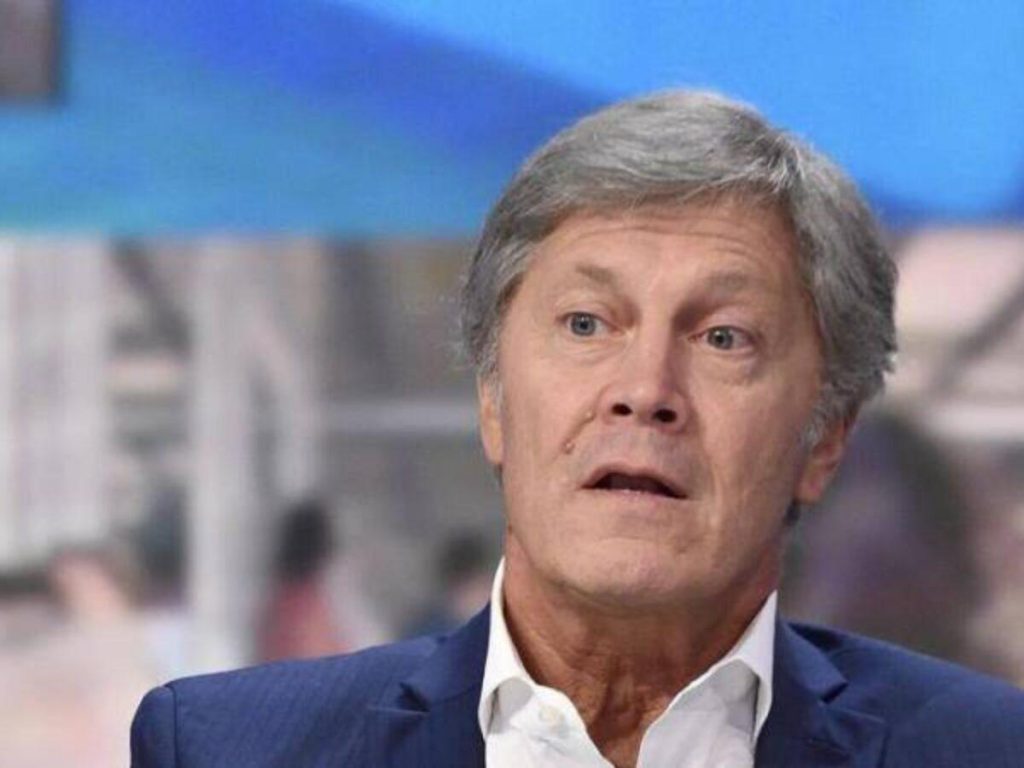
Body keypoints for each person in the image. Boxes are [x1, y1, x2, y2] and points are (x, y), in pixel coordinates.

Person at [131, 90, 1024, 767]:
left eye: (724, 337)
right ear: (493, 401)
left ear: (824, 440)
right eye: (587, 324)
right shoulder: (226, 748)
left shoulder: (985, 749)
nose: (644, 391)